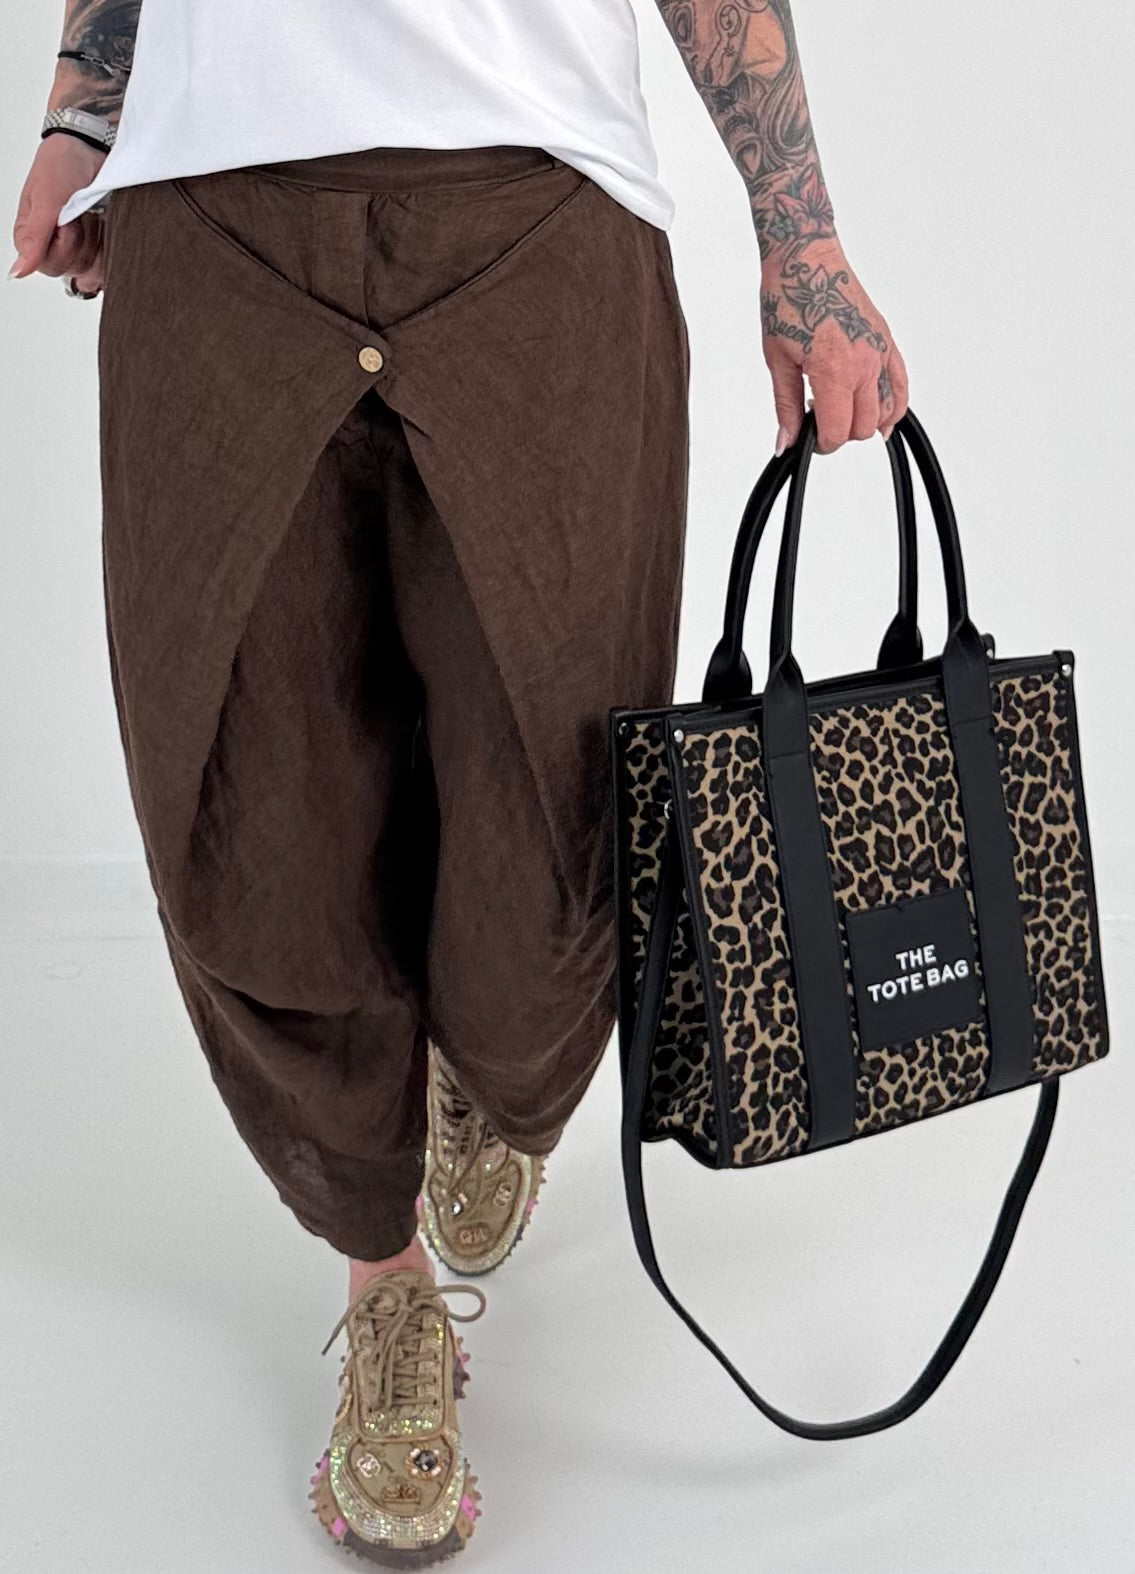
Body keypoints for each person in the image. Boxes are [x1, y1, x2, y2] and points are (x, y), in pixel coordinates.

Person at [11, 0, 909, 1564]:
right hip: (215, 224)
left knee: (562, 812)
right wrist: (87, 109)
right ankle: (386, 1283)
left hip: (538, 217)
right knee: (246, 800)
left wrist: (802, 237)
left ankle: (491, 1087)